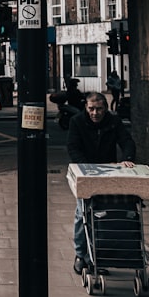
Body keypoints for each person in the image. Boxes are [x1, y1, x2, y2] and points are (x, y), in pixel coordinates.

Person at [67, 91, 136, 275]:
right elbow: (73, 148)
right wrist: (86, 166)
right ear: (86, 108)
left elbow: (126, 140)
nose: (95, 113)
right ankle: (81, 256)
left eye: (99, 109)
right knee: (82, 213)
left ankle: (98, 256)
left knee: (104, 215)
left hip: (108, 174)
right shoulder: (77, 122)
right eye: (91, 109)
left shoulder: (114, 122)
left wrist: (127, 158)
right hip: (85, 174)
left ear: (105, 108)